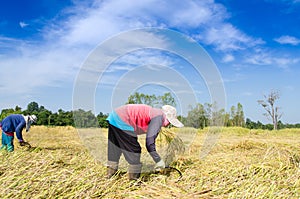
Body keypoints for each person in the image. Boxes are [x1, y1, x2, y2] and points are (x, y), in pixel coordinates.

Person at [106, 104, 184, 180]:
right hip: (123, 119)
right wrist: (158, 161)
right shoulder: (159, 117)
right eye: (169, 122)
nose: (168, 125)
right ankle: (133, 181)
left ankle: (110, 175)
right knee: (135, 150)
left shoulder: (155, 113)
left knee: (115, 147)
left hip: (114, 116)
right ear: (167, 117)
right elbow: (149, 143)